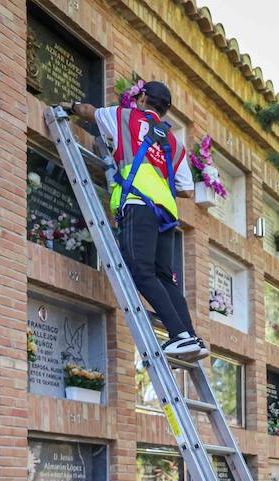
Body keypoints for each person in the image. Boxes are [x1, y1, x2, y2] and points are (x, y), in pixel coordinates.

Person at [61, 81, 206, 360]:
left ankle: (181, 336)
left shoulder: (124, 116)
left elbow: (89, 112)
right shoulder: (174, 143)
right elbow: (187, 189)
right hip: (166, 214)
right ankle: (192, 338)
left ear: (140, 98)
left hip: (137, 205)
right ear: (165, 110)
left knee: (140, 272)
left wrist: (69, 107)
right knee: (164, 277)